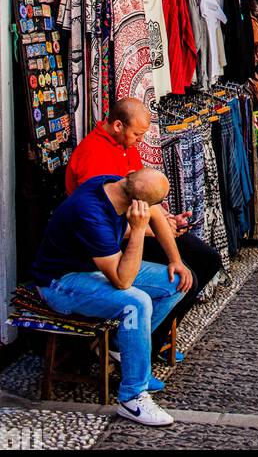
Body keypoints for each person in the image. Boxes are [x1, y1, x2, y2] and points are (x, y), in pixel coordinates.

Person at [66, 98, 222, 354]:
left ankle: (154, 339)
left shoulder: (125, 145)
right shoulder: (94, 156)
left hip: (137, 227)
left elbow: (145, 200)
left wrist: (169, 222)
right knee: (186, 279)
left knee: (208, 259)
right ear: (118, 125)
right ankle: (135, 347)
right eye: (137, 134)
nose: (140, 140)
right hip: (114, 241)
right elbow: (102, 222)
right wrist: (154, 230)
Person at [31, 169, 186, 427]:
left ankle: (118, 344)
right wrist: (137, 229)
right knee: (136, 302)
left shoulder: (114, 183)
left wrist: (175, 261)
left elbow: (156, 215)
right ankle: (132, 398)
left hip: (94, 268)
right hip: (60, 283)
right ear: (140, 206)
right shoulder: (90, 212)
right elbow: (122, 280)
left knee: (176, 281)